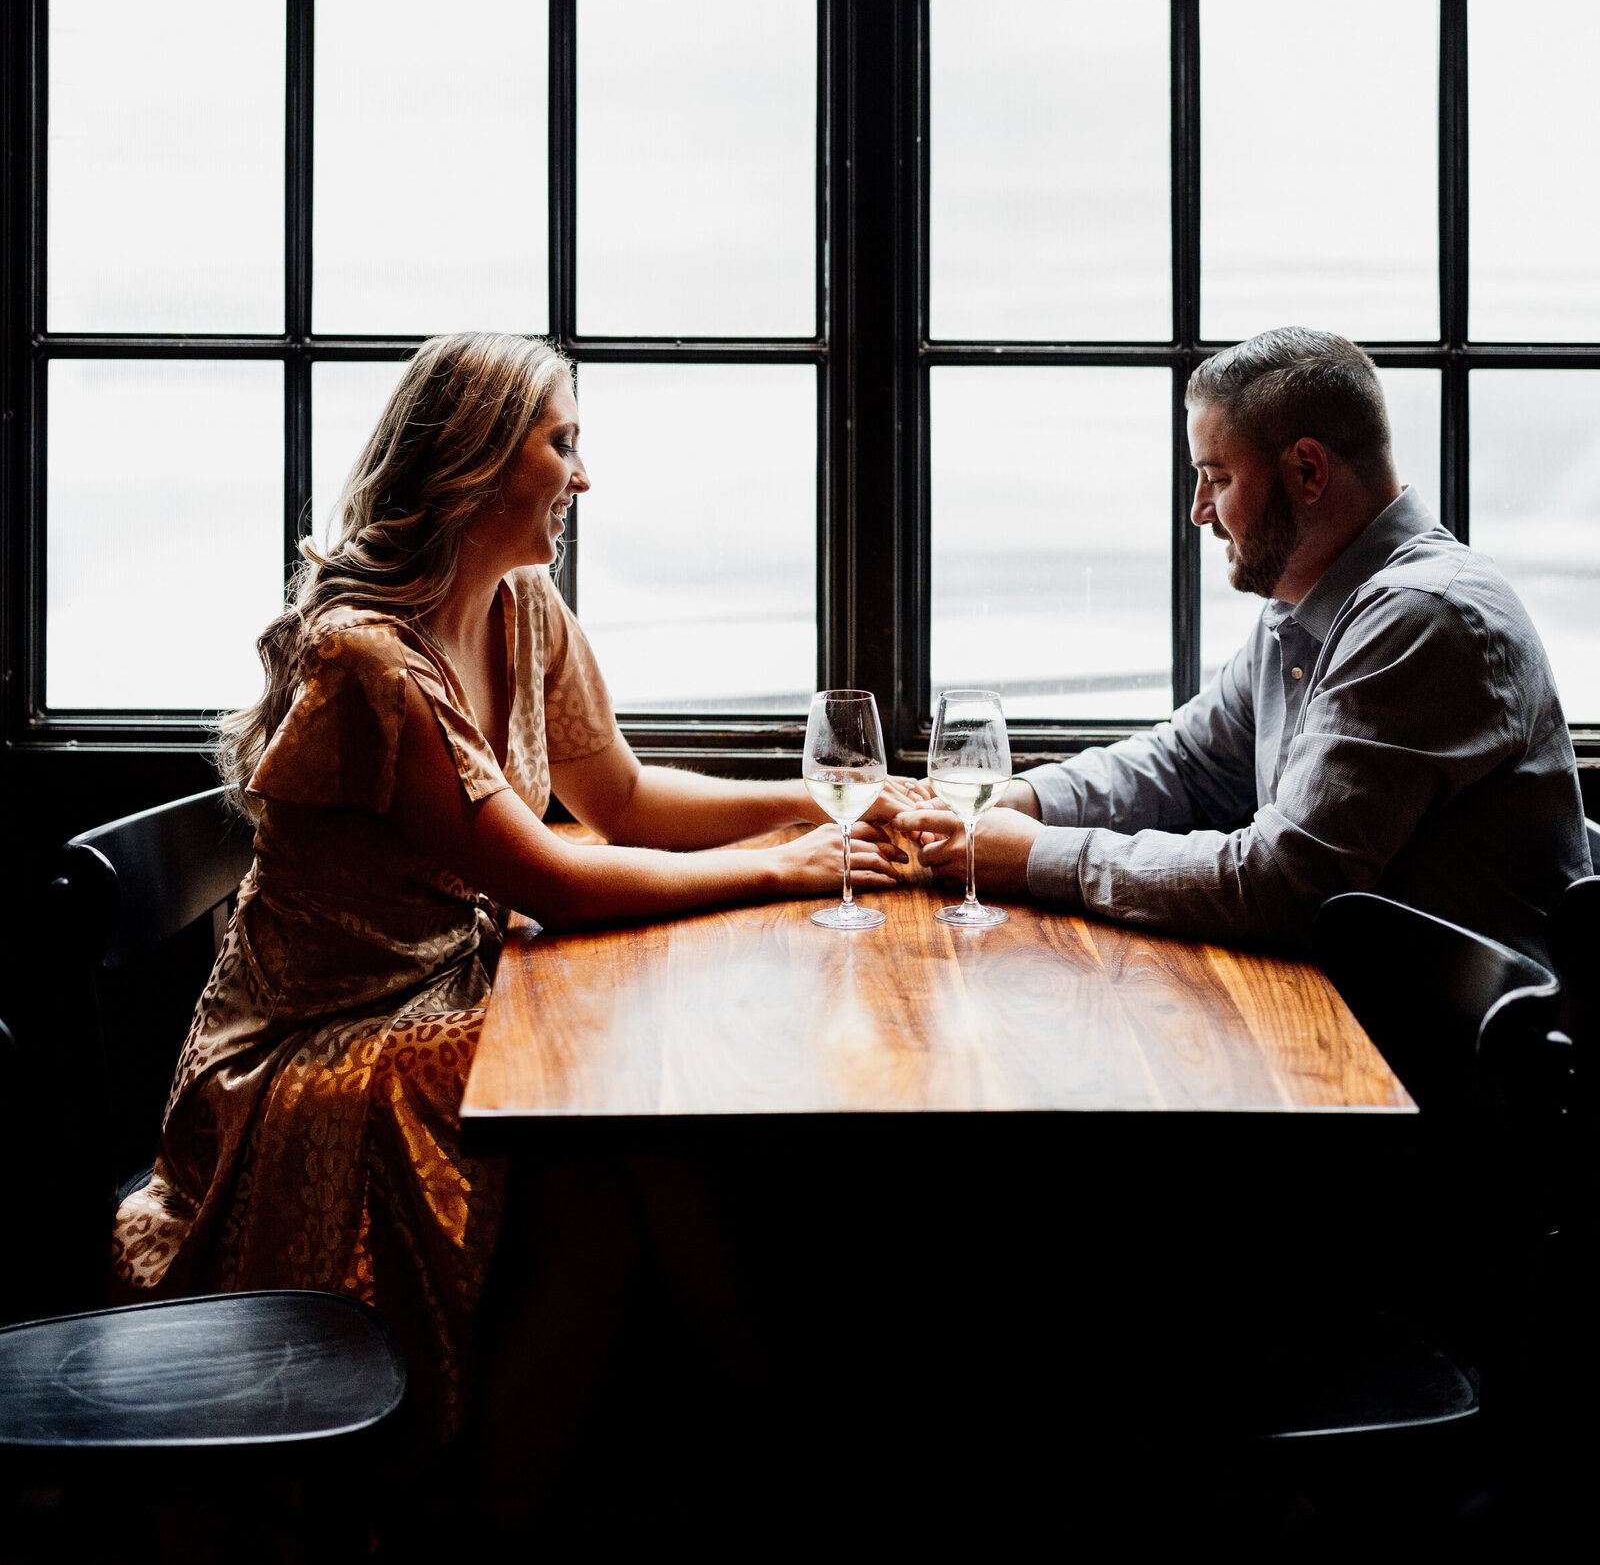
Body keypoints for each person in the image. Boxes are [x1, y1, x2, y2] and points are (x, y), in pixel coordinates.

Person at [111, 332, 908, 1448]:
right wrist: (793, 865)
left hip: (457, 993)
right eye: (562, 442)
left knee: (628, 1152)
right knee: (626, 1145)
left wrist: (821, 803)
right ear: (479, 460)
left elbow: (622, 797)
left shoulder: (523, 607)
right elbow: (554, 880)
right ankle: (773, 1450)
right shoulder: (367, 660)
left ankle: (718, 1470)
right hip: (321, 1044)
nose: (583, 476)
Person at [908, 327, 1589, 962]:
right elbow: (1187, 764)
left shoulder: (1420, 618)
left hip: (1454, 1056)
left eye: (1218, 477)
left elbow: (1283, 885)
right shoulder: (1307, 606)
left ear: (1308, 473)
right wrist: (1019, 801)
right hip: (1368, 1005)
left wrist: (1036, 857)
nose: (1199, 509)